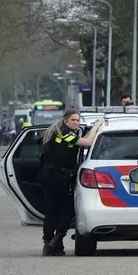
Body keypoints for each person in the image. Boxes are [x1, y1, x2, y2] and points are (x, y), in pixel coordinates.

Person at [38, 109, 103, 256]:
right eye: (73, 120)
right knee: (66, 209)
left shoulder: (59, 132)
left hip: (50, 175)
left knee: (52, 210)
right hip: (57, 177)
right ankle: (56, 239)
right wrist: (96, 126)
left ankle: (52, 244)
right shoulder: (63, 134)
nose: (76, 123)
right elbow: (87, 142)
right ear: (65, 120)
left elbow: (80, 142)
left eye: (77, 120)